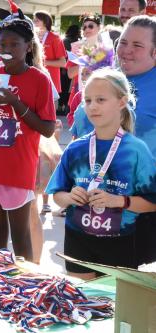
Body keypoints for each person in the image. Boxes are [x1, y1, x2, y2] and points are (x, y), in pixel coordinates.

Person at [46, 68, 156, 280]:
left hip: (120, 242)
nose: (92, 106)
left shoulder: (136, 151)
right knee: (83, 303)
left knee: (112, 306)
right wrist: (69, 198)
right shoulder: (75, 148)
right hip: (78, 239)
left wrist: (120, 201)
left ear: (121, 102)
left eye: (101, 100)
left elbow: (152, 202)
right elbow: (57, 193)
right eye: (87, 100)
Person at [0, 19, 56, 261]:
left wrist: (15, 102)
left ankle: (25, 289)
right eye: (3, 44)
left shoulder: (39, 79)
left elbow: (48, 129)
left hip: (18, 168)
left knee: (20, 240)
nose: (7, 49)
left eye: (14, 44)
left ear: (28, 46)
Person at [116, 15, 156, 265]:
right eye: (123, 42)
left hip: (145, 203)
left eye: (137, 46)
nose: (127, 51)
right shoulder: (105, 80)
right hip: (99, 200)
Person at [33, 10, 67, 94]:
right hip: (34, 78)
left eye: (37, 20)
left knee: (51, 107)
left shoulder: (55, 38)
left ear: (45, 22)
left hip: (51, 81)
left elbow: (63, 63)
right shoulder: (32, 38)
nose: (34, 22)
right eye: (34, 20)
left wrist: (41, 62)